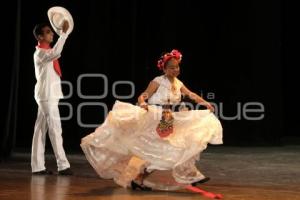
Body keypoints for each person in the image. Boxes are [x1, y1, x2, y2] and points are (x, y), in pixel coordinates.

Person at [81, 49, 222, 191]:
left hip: (170, 117)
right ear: (164, 69)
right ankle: (183, 175)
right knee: (162, 151)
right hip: (157, 117)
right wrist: (142, 103)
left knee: (177, 148)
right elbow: (144, 95)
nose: (175, 70)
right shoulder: (158, 81)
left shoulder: (178, 83)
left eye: (177, 67)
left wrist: (206, 103)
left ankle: (185, 175)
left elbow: (191, 94)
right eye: (171, 67)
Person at [31, 21, 73, 175]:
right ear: (40, 36)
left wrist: (63, 34)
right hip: (46, 96)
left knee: (40, 130)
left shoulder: (46, 51)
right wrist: (64, 34)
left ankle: (37, 166)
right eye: (48, 32)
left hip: (49, 95)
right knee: (55, 129)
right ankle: (63, 165)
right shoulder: (40, 53)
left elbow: (55, 52)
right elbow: (56, 52)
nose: (52, 33)